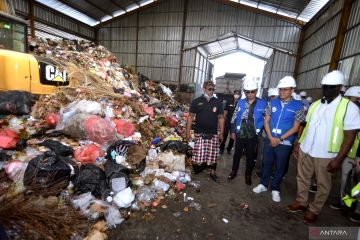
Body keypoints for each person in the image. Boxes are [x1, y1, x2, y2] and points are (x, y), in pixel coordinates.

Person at [288, 71, 360, 224]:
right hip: (306, 148)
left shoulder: (349, 108)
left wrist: (339, 159)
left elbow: (350, 136)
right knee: (302, 177)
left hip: (327, 154)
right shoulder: (315, 104)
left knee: (323, 183)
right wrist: (298, 144)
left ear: (339, 87)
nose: (327, 90)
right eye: (325, 87)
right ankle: (301, 201)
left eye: (331, 87)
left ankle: (314, 209)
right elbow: (306, 126)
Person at [253, 76, 305, 202]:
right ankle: (263, 184)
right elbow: (266, 122)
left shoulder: (298, 106)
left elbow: (296, 127)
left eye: (285, 89)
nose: (282, 92)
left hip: (285, 142)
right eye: (280, 89)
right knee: (267, 163)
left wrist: (280, 139)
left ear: (292, 90)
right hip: (270, 139)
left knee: (280, 166)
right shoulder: (272, 103)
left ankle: (275, 188)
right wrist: (271, 138)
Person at [328, 86, 360, 223]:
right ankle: (344, 202)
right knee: (345, 179)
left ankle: (358, 210)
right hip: (348, 152)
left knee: (358, 183)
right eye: (355, 99)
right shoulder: (345, 111)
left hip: (359, 155)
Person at [228, 81, 266, 185]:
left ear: (256, 91)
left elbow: (267, 119)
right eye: (247, 92)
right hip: (240, 133)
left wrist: (260, 130)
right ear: (244, 92)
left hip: (253, 135)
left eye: (252, 92)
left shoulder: (263, 104)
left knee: (250, 156)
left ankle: (248, 175)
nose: (250, 94)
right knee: (237, 154)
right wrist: (232, 131)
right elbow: (234, 117)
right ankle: (234, 171)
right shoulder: (240, 102)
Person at [186, 80, 224, 182]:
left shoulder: (217, 102)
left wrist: (222, 133)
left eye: (213, 89)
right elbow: (190, 117)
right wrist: (188, 132)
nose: (211, 91)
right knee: (198, 154)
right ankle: (198, 168)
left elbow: (221, 118)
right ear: (204, 89)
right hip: (199, 133)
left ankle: (213, 172)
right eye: (209, 89)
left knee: (212, 155)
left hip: (212, 133)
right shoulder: (196, 101)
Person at [255, 88, 278, 178]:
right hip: (264, 134)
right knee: (261, 154)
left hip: (275, 135)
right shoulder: (266, 106)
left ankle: (270, 171)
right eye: (273, 97)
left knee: (272, 155)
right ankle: (259, 170)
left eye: (276, 97)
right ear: (270, 97)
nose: (275, 98)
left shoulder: (279, 106)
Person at [219, 89, 241, 155]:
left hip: (235, 122)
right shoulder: (229, 102)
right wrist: (224, 120)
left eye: (238, 93)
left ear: (240, 95)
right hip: (228, 121)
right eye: (235, 93)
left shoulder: (241, 103)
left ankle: (229, 149)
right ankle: (221, 148)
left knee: (232, 136)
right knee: (224, 135)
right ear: (233, 94)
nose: (236, 95)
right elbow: (225, 112)